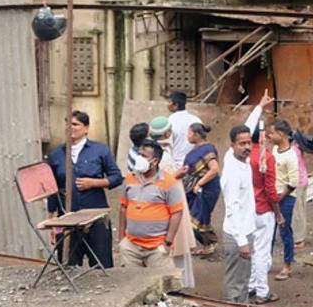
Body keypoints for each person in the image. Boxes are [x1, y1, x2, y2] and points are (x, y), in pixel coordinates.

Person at [47, 110, 124, 268]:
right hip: (68, 219)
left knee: (101, 265)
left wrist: (94, 183)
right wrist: (52, 223)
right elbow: (52, 190)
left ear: (86, 128)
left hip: (96, 218)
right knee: (69, 266)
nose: (70, 127)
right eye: (67, 124)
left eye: (75, 124)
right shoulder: (56, 155)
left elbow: (117, 177)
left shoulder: (100, 151)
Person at [117, 140, 187, 269]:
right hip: (131, 247)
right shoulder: (129, 179)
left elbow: (177, 213)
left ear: (155, 161)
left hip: (157, 248)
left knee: (160, 286)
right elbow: (123, 208)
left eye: (144, 156)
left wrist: (167, 243)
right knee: (132, 285)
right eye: (139, 154)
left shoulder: (169, 182)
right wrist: (122, 240)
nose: (139, 158)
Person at [245, 91, 283, 304]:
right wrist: (278, 212)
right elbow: (270, 191)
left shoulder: (242, 156)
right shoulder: (266, 157)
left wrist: (259, 106)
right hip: (263, 210)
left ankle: (252, 286)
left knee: (252, 251)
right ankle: (262, 291)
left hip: (247, 210)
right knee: (261, 253)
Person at [220, 124, 256, 302]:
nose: (247, 147)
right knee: (237, 284)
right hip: (238, 234)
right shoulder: (233, 171)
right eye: (242, 144)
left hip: (246, 230)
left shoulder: (240, 160)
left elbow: (248, 124)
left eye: (249, 143)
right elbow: (231, 208)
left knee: (243, 280)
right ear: (232, 145)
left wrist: (259, 108)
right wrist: (242, 241)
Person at [268, 119, 300, 281]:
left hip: (285, 198)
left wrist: (279, 198)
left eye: (272, 132)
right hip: (273, 196)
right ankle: (266, 262)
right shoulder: (274, 149)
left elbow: (293, 183)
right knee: (268, 231)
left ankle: (287, 265)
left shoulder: (291, 155)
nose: (269, 135)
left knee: (285, 231)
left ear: (281, 134)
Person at [183, 122, 221, 256]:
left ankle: (212, 241)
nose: (187, 135)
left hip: (207, 188)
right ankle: (207, 245)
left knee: (196, 219)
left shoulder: (207, 149)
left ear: (197, 135)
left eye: (189, 133)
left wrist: (200, 183)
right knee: (197, 217)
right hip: (195, 188)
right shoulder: (194, 149)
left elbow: (214, 169)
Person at [166, 90, 202, 168]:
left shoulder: (170, 121)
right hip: (194, 164)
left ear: (175, 105)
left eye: (169, 102)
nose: (167, 104)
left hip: (175, 165)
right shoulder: (196, 120)